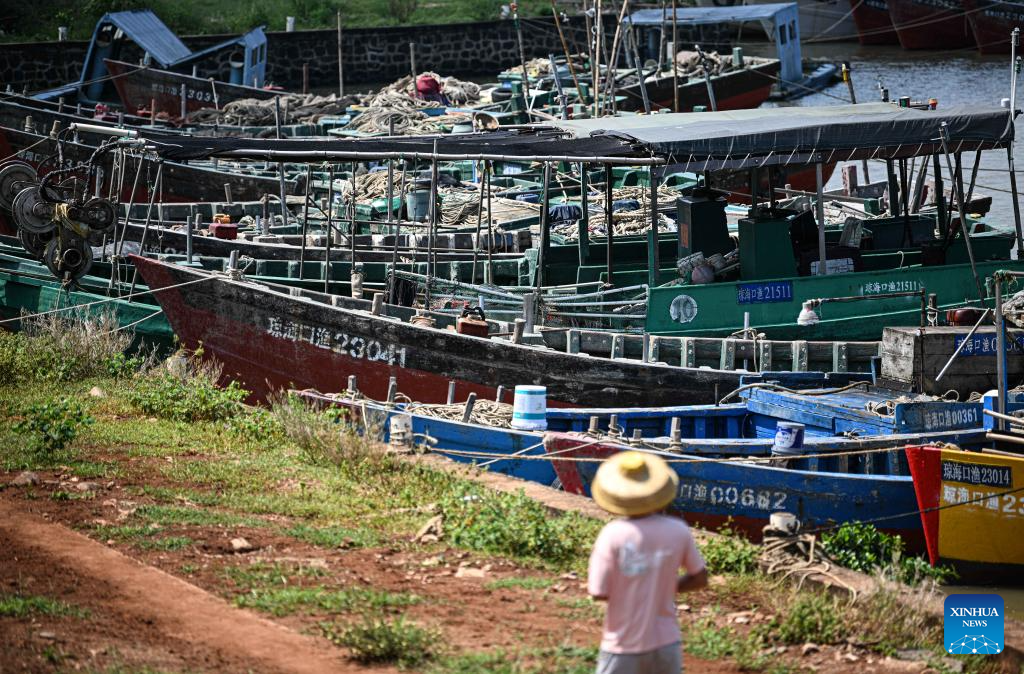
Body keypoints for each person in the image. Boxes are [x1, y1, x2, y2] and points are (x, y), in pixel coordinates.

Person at [588, 451, 708, 674]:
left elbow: (598, 592)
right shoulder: (678, 530)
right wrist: (664, 587)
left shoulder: (612, 534)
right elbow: (700, 578)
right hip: (666, 644)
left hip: (622, 645)